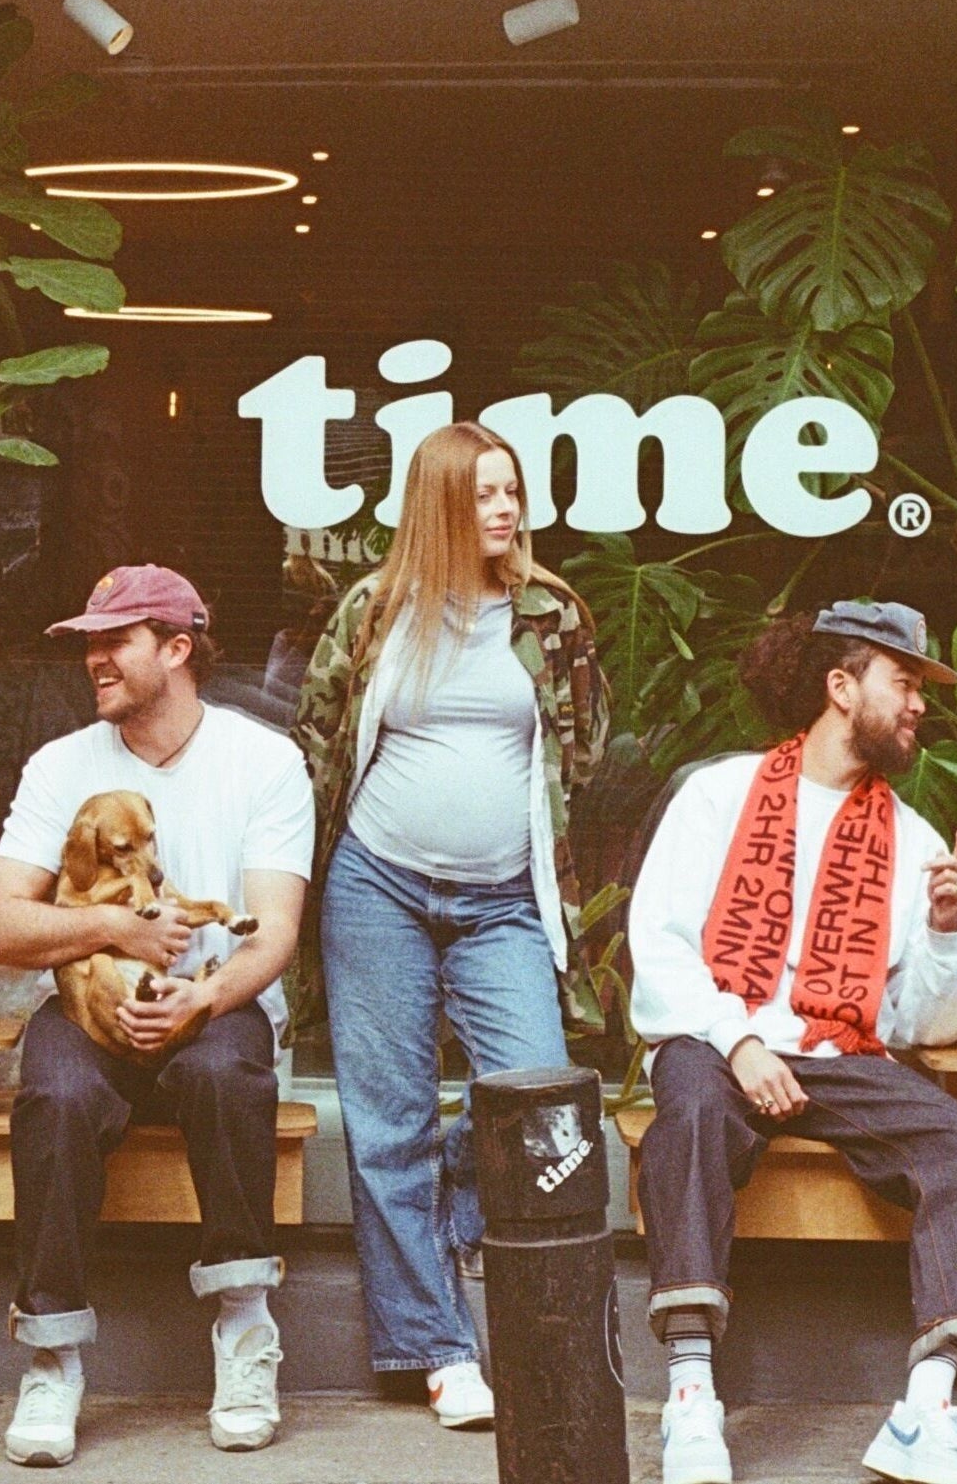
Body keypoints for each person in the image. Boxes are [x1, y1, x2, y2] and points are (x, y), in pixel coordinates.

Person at [629, 603, 957, 1484]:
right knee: (692, 1107)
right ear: (841, 687)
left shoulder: (914, 840)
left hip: (840, 1052)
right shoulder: (720, 794)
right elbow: (659, 945)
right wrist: (739, 1044)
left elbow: (920, 1027)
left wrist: (949, 930)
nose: (921, 702)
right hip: (715, 1035)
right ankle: (693, 1396)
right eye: (905, 681)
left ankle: (926, 1410)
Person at [291, 422, 609, 1429]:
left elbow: (584, 747)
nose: (506, 509)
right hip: (375, 884)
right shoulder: (375, 611)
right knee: (388, 1122)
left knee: (536, 1092)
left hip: (503, 899)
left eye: (513, 490)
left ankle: (457, 1229)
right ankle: (435, 1350)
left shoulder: (552, 614)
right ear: (438, 504)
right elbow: (319, 740)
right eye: (483, 495)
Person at [0, 565, 315, 1466]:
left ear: (176, 648)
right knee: (51, 1093)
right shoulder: (62, 765)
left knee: (224, 1069)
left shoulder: (265, 761)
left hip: (214, 1000)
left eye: (114, 640)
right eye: (88, 641)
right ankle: (51, 1354)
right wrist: (115, 927)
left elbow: (273, 928)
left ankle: (245, 1327)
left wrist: (199, 997)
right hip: (90, 1005)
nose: (95, 658)